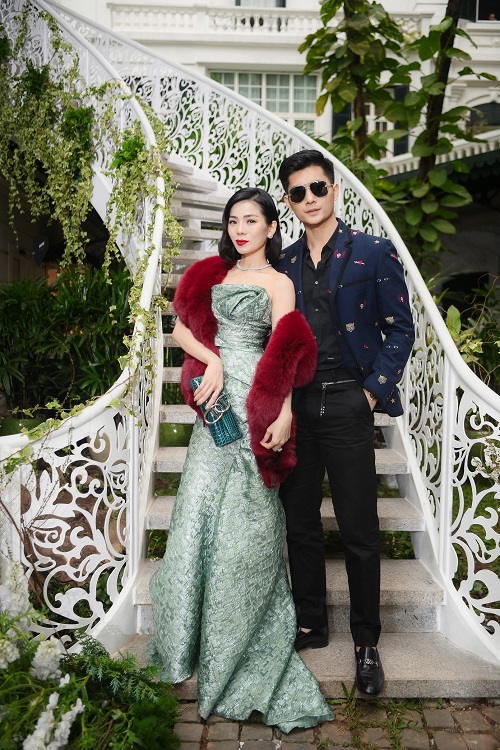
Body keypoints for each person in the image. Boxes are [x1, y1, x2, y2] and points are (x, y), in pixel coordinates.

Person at [146, 187, 334, 732]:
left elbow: (289, 351)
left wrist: (285, 413)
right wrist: (214, 361)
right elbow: (180, 329)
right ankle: (186, 639)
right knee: (198, 510)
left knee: (249, 520)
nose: (240, 230)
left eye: (251, 221)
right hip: (215, 400)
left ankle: (239, 636)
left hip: (258, 399)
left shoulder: (280, 283)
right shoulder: (212, 274)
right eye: (233, 221)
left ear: (272, 227)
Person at [275, 150, 415, 696]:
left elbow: (400, 329)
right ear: (289, 202)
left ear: (335, 190)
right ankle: (311, 624)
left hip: (349, 406)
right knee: (301, 525)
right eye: (298, 192)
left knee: (358, 529)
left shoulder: (372, 252)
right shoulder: (283, 263)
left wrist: (372, 393)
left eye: (317, 187)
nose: (309, 198)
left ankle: (366, 643)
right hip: (298, 409)